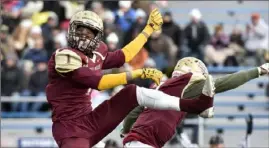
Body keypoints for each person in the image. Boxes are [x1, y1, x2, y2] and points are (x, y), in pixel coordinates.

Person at [46, 10, 214, 148]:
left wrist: (148, 30)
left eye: (89, 33)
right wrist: (138, 73)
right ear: (71, 30)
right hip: (70, 129)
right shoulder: (64, 56)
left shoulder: (97, 52)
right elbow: (97, 83)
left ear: (97, 37)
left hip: (92, 120)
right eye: (80, 30)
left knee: (132, 93)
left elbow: (122, 56)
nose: (83, 36)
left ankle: (193, 105)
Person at [121, 57, 269, 148]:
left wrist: (126, 130)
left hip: (137, 142)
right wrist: (258, 71)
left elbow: (135, 110)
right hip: (143, 143)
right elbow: (226, 82)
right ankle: (205, 106)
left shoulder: (161, 87)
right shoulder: (186, 84)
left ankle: (204, 106)